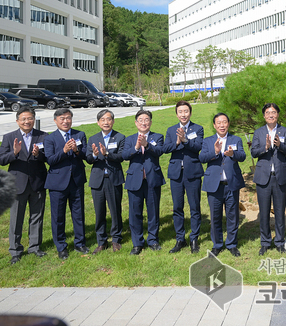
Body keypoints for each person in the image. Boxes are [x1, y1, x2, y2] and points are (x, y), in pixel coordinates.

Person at [0, 106, 48, 264]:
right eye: (24, 119)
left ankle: (34, 246)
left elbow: (48, 158)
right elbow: (1, 159)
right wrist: (14, 153)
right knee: (16, 218)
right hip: (18, 183)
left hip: (37, 182)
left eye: (30, 118)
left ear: (34, 119)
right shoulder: (9, 137)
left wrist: (38, 155)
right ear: (18, 121)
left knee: (37, 217)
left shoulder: (43, 136)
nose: (27, 121)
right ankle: (15, 250)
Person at [44, 108, 89, 260]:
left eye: (68, 118)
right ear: (56, 120)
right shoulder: (50, 138)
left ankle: (80, 242)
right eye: (62, 118)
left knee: (78, 213)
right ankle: (61, 246)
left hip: (76, 180)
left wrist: (76, 151)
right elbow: (50, 160)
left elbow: (86, 155)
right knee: (58, 216)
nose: (65, 121)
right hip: (57, 182)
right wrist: (63, 151)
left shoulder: (79, 135)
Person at [200, 113, 246, 257]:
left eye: (224, 122)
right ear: (214, 125)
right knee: (215, 216)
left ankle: (231, 244)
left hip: (231, 184)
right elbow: (202, 158)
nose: (222, 125)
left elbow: (243, 156)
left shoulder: (236, 139)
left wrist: (233, 154)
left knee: (232, 216)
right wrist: (215, 152)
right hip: (214, 185)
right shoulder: (208, 141)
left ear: (228, 124)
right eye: (219, 122)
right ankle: (217, 244)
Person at [251, 103, 286, 255]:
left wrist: (280, 145)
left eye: (274, 112)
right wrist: (266, 147)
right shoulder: (259, 132)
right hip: (263, 177)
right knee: (264, 212)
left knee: (280, 211)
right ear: (264, 116)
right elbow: (253, 152)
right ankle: (265, 242)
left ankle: (280, 242)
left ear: (278, 115)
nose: (271, 115)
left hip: (280, 177)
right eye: (268, 112)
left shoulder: (285, 131)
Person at [163, 100, 204, 254]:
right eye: (180, 111)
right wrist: (177, 141)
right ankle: (180, 238)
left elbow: (198, 147)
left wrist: (186, 140)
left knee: (194, 207)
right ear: (177, 114)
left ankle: (194, 238)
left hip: (192, 173)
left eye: (186, 111)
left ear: (190, 113)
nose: (183, 114)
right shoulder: (171, 129)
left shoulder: (198, 129)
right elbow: (165, 148)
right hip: (176, 174)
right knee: (177, 207)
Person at [122, 109, 166, 255]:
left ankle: (153, 240)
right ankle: (137, 243)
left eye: (146, 119)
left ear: (150, 122)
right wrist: (136, 147)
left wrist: (146, 145)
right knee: (135, 212)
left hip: (152, 179)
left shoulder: (157, 137)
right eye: (140, 120)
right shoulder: (129, 139)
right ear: (136, 123)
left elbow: (159, 151)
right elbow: (124, 155)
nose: (143, 122)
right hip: (135, 180)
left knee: (153, 211)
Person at [86, 109, 126, 253]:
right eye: (102, 120)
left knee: (115, 210)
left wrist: (107, 154)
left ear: (113, 121)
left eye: (108, 119)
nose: (106, 122)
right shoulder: (92, 139)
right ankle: (101, 241)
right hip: (97, 180)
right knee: (99, 212)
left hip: (113, 179)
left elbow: (122, 156)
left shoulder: (120, 137)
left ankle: (116, 239)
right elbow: (88, 158)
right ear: (98, 123)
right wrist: (96, 155)